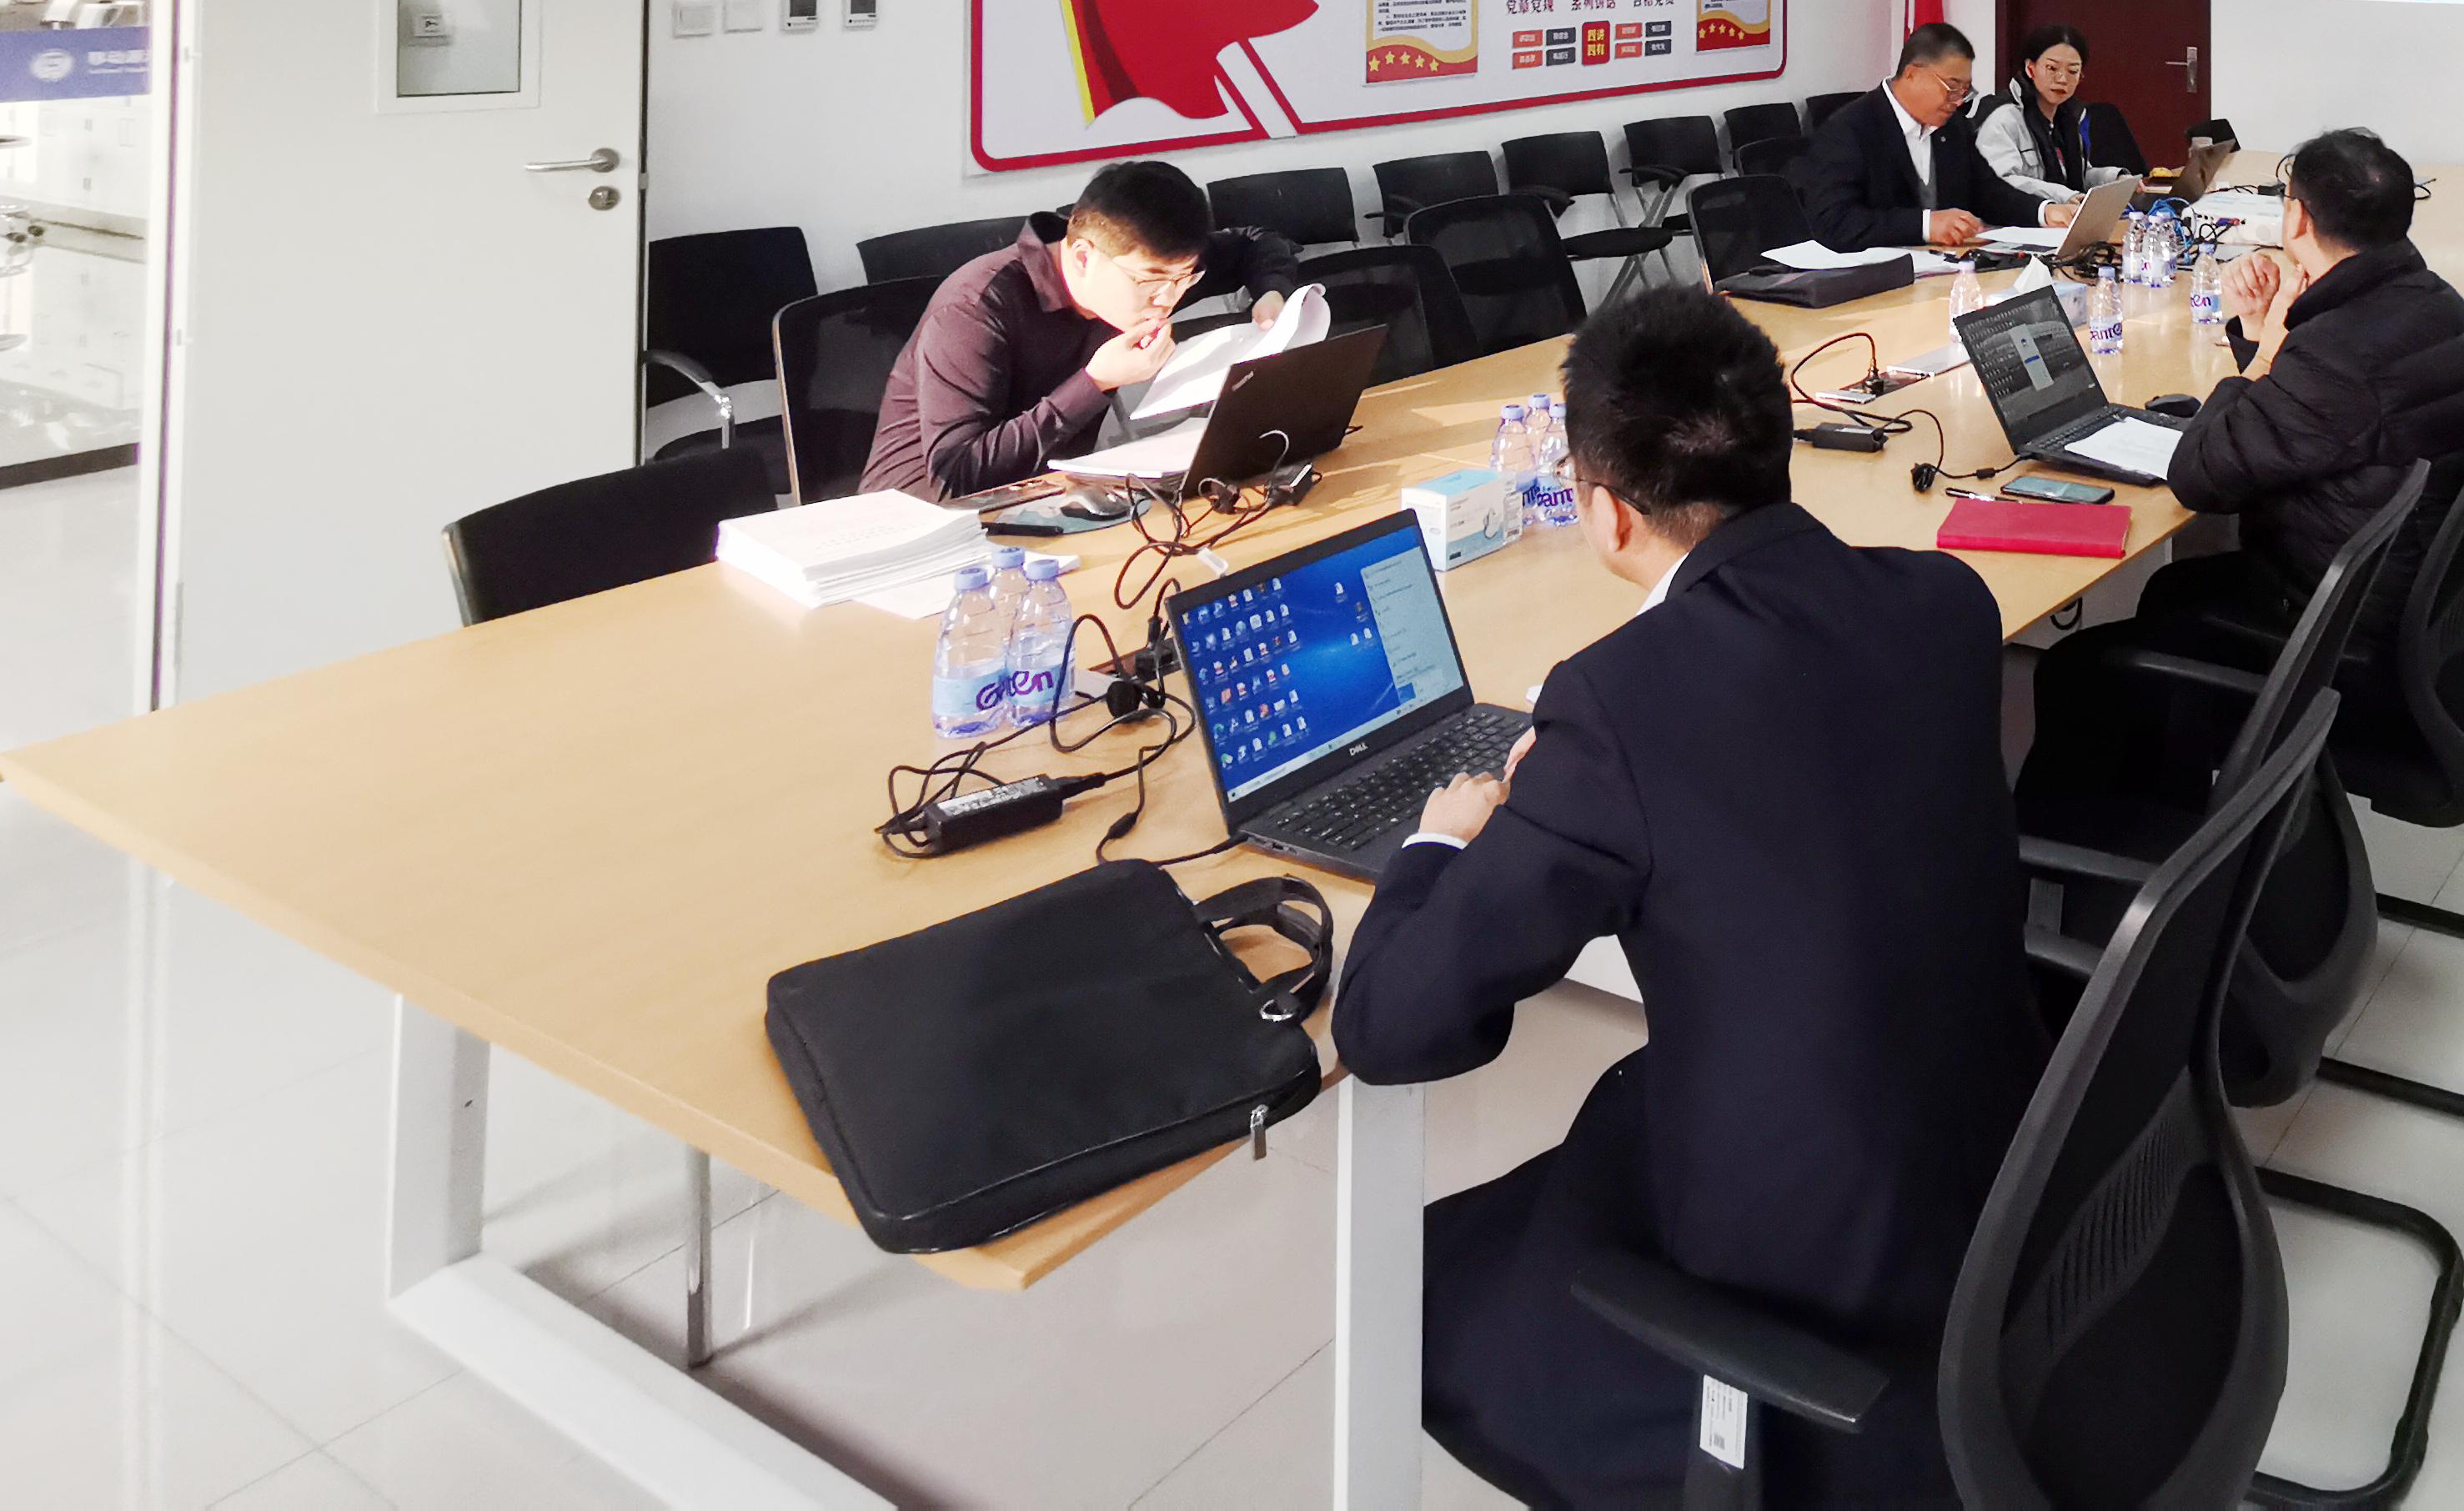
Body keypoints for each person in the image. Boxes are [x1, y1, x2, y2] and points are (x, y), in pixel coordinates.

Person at [1329, 286, 2039, 1507]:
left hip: (1816, 1270)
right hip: (2002, 1154)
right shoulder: (1946, 600)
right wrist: (1589, 795)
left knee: (1427, 1295)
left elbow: (1392, 1027)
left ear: (1606, 510)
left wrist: (1440, 844)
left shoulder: (1616, 703)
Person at [2144, 124, 2464, 640]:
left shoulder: (2337, 354)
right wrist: (2258, 325)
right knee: (2177, 589)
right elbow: (2307, 417)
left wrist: (2266, 354)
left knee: (2095, 651)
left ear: (2297, 219)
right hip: (2424, 585)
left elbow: (2197, 477)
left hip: (2340, 611)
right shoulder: (2433, 298)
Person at [857, 158, 1300, 500]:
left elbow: (1256, 242)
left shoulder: (1147, 274)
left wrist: (1270, 293)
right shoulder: (975, 308)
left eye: (1185, 278)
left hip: (1051, 501)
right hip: (919, 525)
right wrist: (1095, 383)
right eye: (1151, 281)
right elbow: (957, 474)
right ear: (1085, 257)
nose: (1167, 299)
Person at [1795, 22, 2068, 254]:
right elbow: (1834, 223)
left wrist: (2043, 212)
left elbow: (1986, 191)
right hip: (1876, 280)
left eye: (1965, 90)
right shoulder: (1849, 129)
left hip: (1945, 271)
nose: (1958, 100)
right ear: (1912, 74)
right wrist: (1926, 225)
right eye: (1952, 87)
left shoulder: (1952, 126)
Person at [1973, 23, 2135, 205]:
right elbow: (2001, 182)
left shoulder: (2068, 120)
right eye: (2052, 68)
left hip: (2061, 218)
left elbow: (2079, 176)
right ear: (2030, 69)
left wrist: (2117, 180)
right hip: (2018, 220)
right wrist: (2064, 195)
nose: (2062, 79)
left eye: (2072, 71)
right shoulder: (2003, 119)